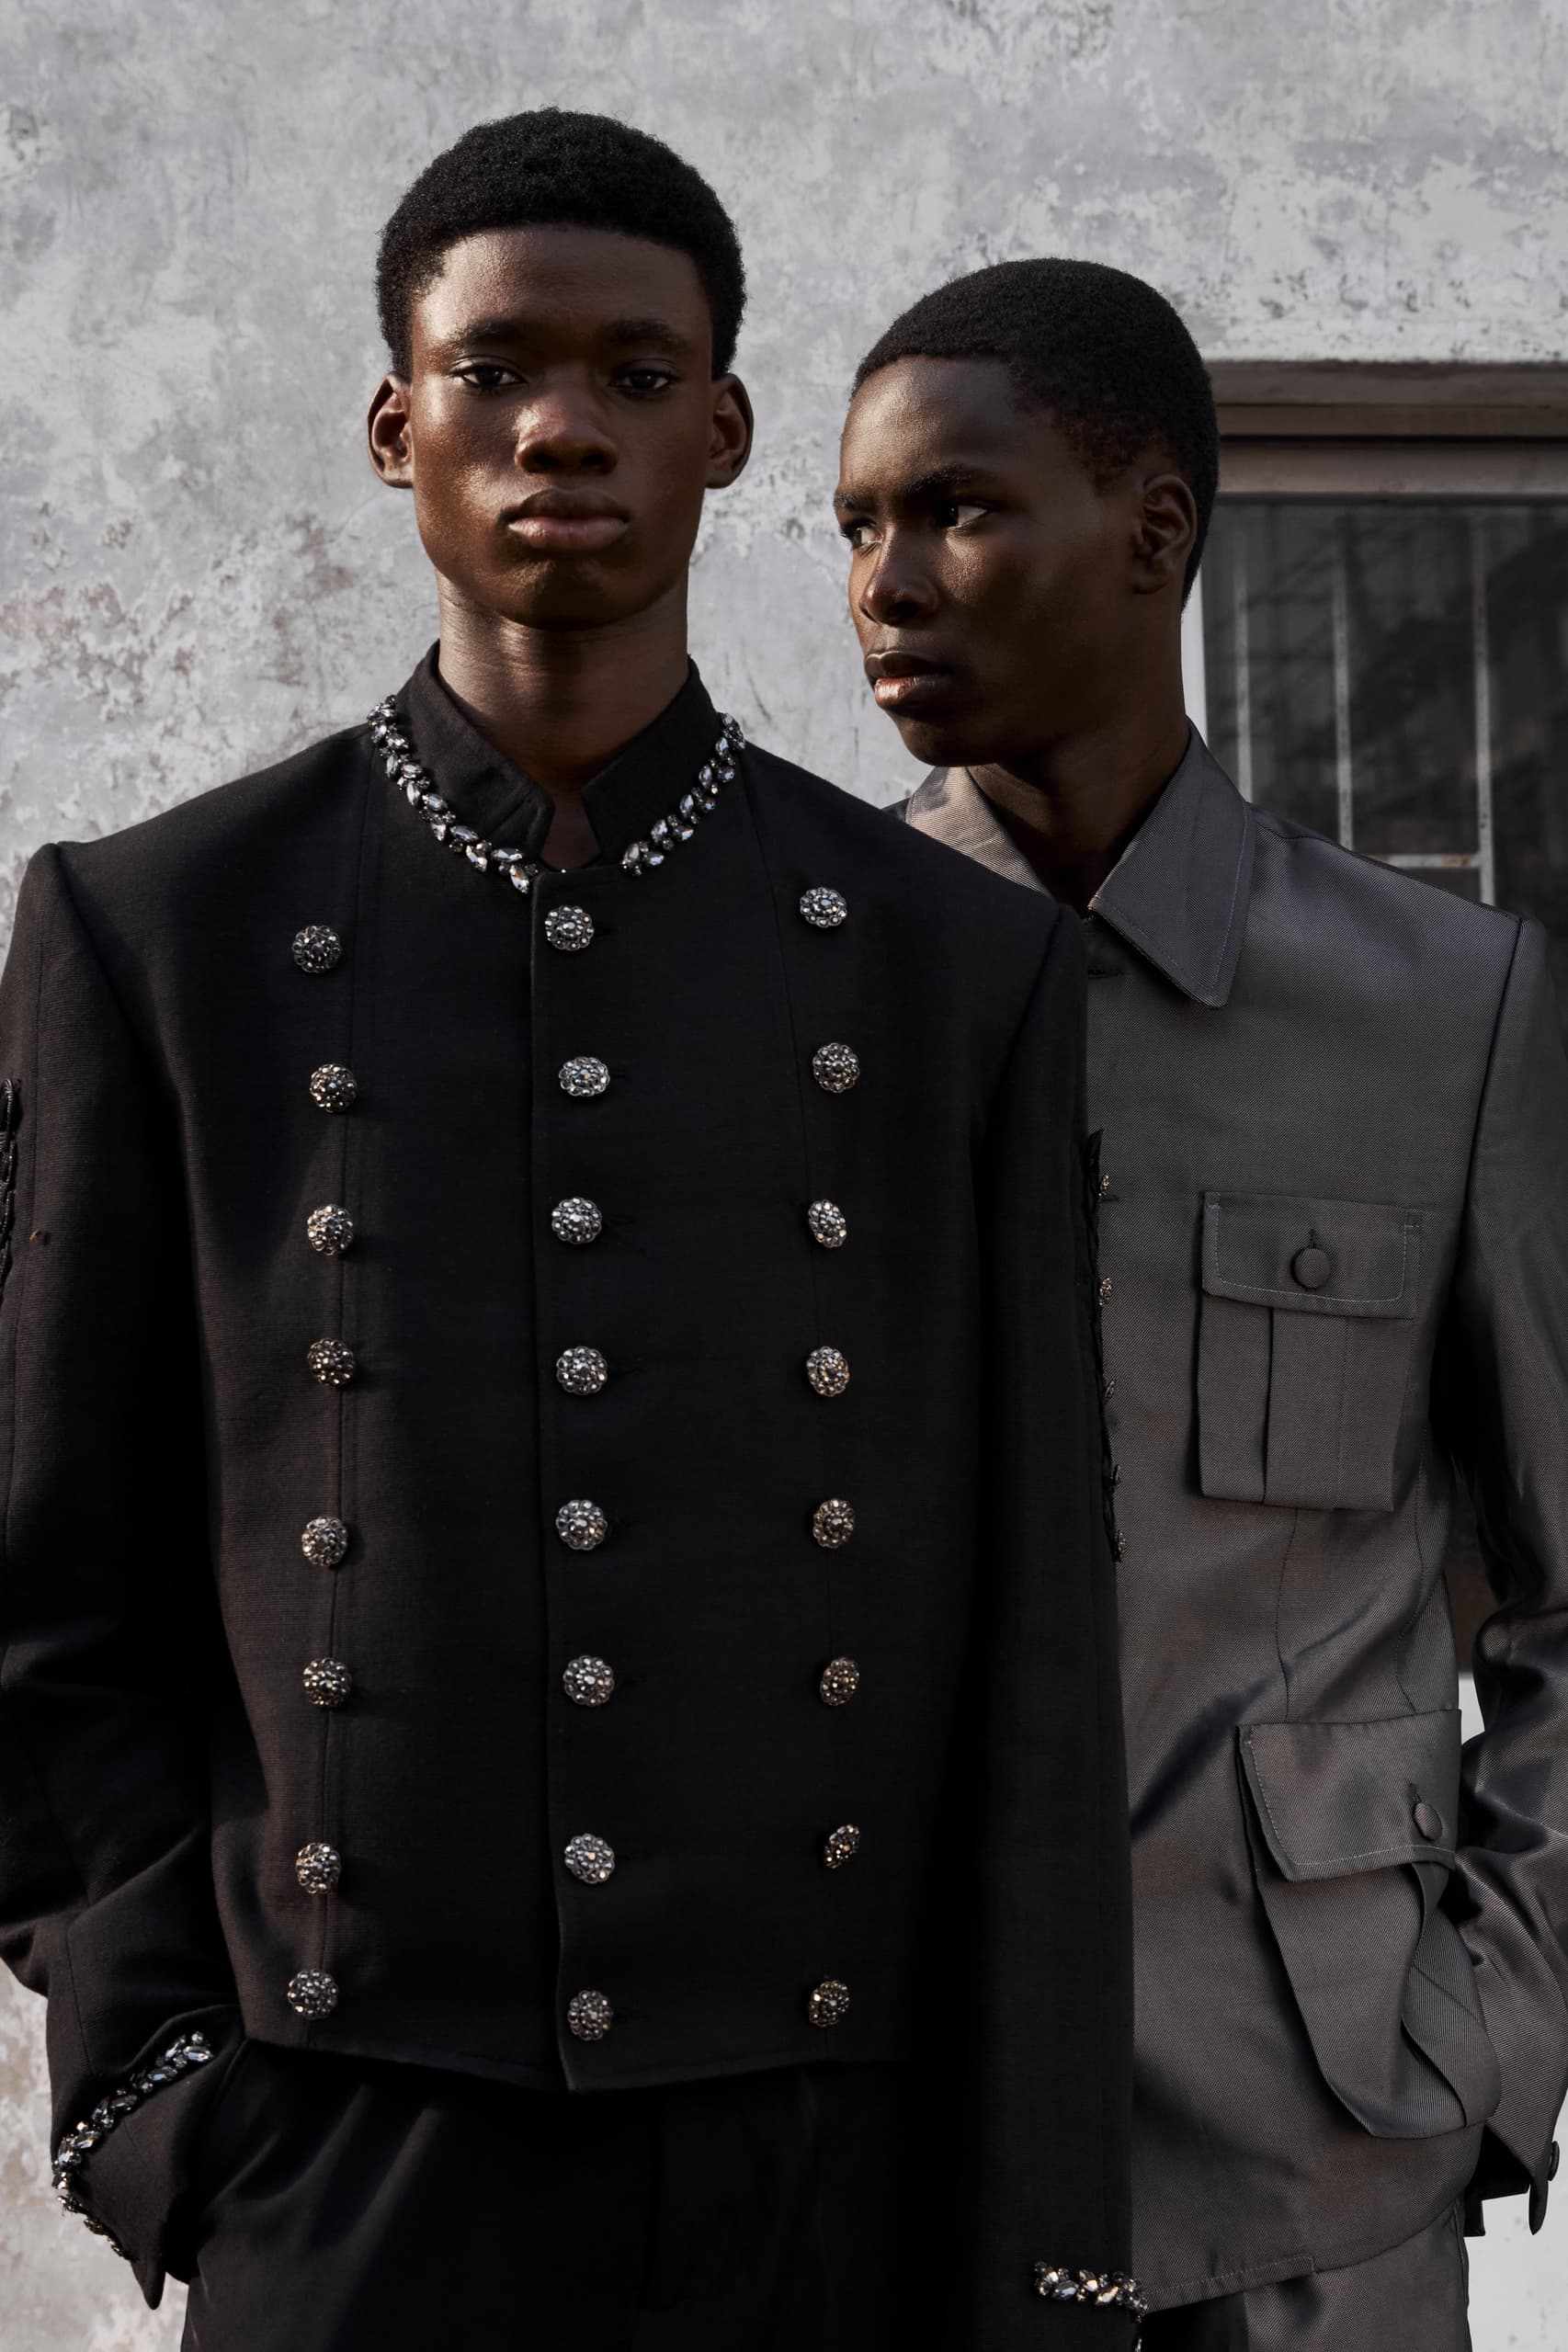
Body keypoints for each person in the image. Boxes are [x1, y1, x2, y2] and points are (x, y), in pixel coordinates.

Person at [0, 119, 1138, 2350]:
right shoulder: (159, 932)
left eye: (637, 373)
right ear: (391, 421)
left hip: (825, 2158)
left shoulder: (946, 963)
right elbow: (47, 1595)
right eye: (498, 364)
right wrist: (161, 2096)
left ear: (723, 431)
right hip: (342, 2155)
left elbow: (1034, 1654)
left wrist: (1041, 2234)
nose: (560, 426)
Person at [835, 256, 1568, 2349]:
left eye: (955, 509)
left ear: (1152, 527)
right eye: (856, 526)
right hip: (887, 2153)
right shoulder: (798, 1001)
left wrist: (1491, 2035)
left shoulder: (1448, 1011)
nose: (887, 582)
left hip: (1321, 2170)